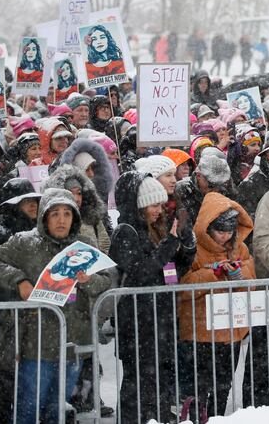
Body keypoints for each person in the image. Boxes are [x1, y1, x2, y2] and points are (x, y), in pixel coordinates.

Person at [0, 188, 113, 423]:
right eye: (55, 214)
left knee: (58, 407)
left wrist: (88, 280)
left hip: (74, 341)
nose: (61, 220)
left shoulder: (83, 243)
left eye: (67, 213)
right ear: (44, 216)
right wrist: (19, 281)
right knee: (29, 406)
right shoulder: (24, 242)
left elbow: (106, 278)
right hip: (36, 343)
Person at [109, 172, 196, 423]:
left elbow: (172, 272)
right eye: (154, 205)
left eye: (161, 204)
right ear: (139, 205)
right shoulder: (126, 232)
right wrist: (169, 243)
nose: (160, 210)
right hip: (137, 323)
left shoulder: (156, 229)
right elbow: (140, 273)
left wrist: (186, 247)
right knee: (137, 386)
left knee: (159, 385)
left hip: (161, 319)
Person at [177, 192, 256, 418]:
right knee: (199, 386)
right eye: (220, 231)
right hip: (201, 331)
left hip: (232, 330)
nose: (224, 236)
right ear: (207, 227)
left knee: (224, 384)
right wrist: (212, 273)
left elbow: (252, 279)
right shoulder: (193, 249)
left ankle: (218, 418)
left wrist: (239, 274)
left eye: (229, 231)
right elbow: (182, 287)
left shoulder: (239, 248)